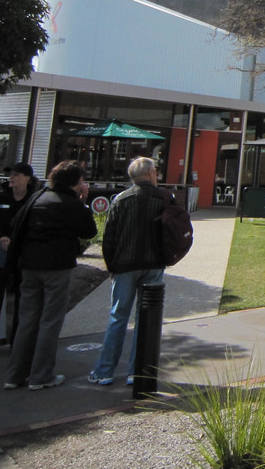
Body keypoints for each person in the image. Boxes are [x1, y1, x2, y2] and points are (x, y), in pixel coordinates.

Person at [4, 160, 97, 391]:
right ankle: (41, 375)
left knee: (27, 319)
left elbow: (16, 224)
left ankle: (15, 375)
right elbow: (89, 231)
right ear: (76, 183)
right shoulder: (70, 203)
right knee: (50, 321)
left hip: (29, 265)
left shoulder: (37, 198)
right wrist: (82, 203)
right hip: (57, 266)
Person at [88, 156, 174, 386]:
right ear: (151, 174)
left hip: (125, 265)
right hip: (154, 264)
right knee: (146, 319)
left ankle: (104, 371)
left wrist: (111, 266)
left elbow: (109, 238)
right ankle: (137, 370)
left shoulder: (121, 200)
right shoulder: (164, 198)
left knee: (118, 316)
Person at [0, 163, 40, 360]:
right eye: (10, 175)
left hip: (22, 256)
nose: (11, 178)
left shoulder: (34, 200)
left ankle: (17, 344)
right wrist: (0, 236)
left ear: (27, 178)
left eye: (16, 175)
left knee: (22, 301)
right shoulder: (0, 198)